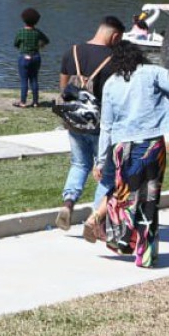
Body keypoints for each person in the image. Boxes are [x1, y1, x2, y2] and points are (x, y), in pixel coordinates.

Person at [83, 42, 169, 268]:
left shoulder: (111, 84)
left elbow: (106, 127)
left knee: (123, 194)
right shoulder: (153, 73)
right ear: (139, 55)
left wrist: (100, 161)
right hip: (151, 146)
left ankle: (119, 238)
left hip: (123, 148)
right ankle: (145, 256)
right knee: (149, 200)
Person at [53, 15, 127, 229]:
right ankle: (95, 219)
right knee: (106, 171)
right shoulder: (114, 59)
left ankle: (68, 203)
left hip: (74, 121)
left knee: (79, 163)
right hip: (100, 124)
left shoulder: (72, 51)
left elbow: (63, 89)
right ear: (114, 36)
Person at [13, 7, 50, 107]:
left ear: (23, 19)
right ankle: (35, 102)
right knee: (34, 79)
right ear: (36, 21)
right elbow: (46, 40)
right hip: (36, 57)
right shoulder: (37, 32)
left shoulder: (20, 32)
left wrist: (22, 47)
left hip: (24, 57)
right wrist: (40, 45)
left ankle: (23, 102)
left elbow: (15, 44)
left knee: (24, 80)